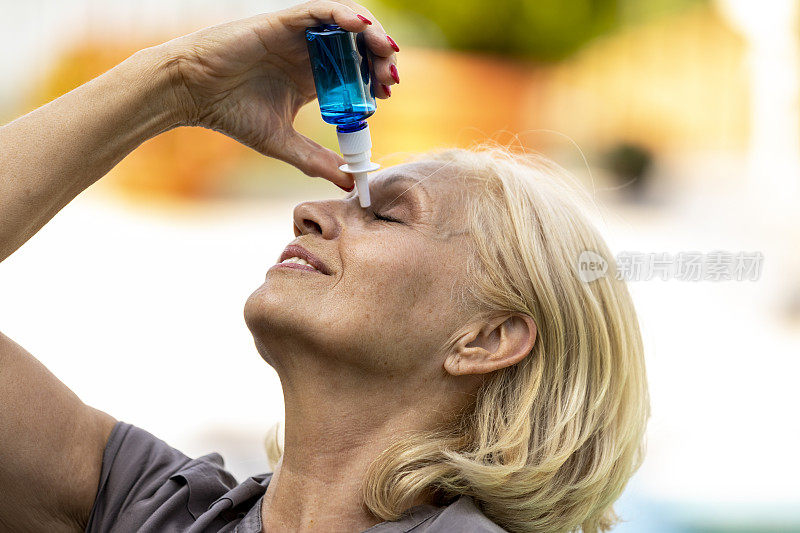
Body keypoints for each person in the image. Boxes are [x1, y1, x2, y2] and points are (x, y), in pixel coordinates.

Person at [0, 1, 650, 531]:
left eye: (387, 214)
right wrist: (179, 82)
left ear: (485, 338)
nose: (308, 210)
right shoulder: (167, 511)